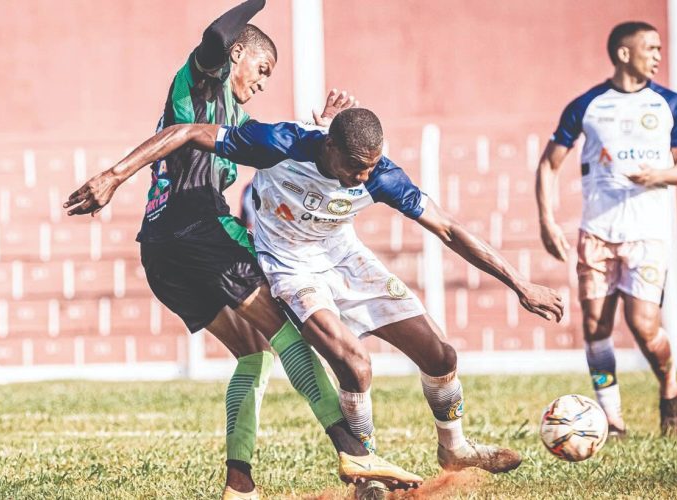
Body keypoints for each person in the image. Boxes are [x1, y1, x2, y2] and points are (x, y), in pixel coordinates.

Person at [65, 107, 566, 476]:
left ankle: (453, 447)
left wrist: (518, 283)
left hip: (344, 257)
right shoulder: (279, 143)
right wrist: (113, 177)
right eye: (356, 167)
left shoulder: (381, 175)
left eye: (373, 167)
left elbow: (449, 230)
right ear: (329, 148)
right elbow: (186, 131)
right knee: (355, 363)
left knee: (439, 354)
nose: (366, 178)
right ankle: (364, 467)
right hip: (288, 266)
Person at [73, 2, 420, 498]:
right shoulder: (205, 79)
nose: (261, 82)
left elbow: (279, 156)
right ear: (237, 55)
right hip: (202, 231)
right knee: (290, 339)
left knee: (253, 354)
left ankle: (240, 485)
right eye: (261, 69)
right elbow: (215, 36)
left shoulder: (236, 116)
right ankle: (355, 452)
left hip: (159, 248)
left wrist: (318, 129)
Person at [534, 21, 677, 437]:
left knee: (644, 326)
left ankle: (669, 385)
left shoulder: (670, 104)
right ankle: (612, 419)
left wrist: (658, 175)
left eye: (660, 49)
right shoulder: (587, 105)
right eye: (651, 48)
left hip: (648, 235)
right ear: (625, 54)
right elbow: (550, 164)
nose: (658, 55)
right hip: (597, 234)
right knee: (595, 327)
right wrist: (547, 220)